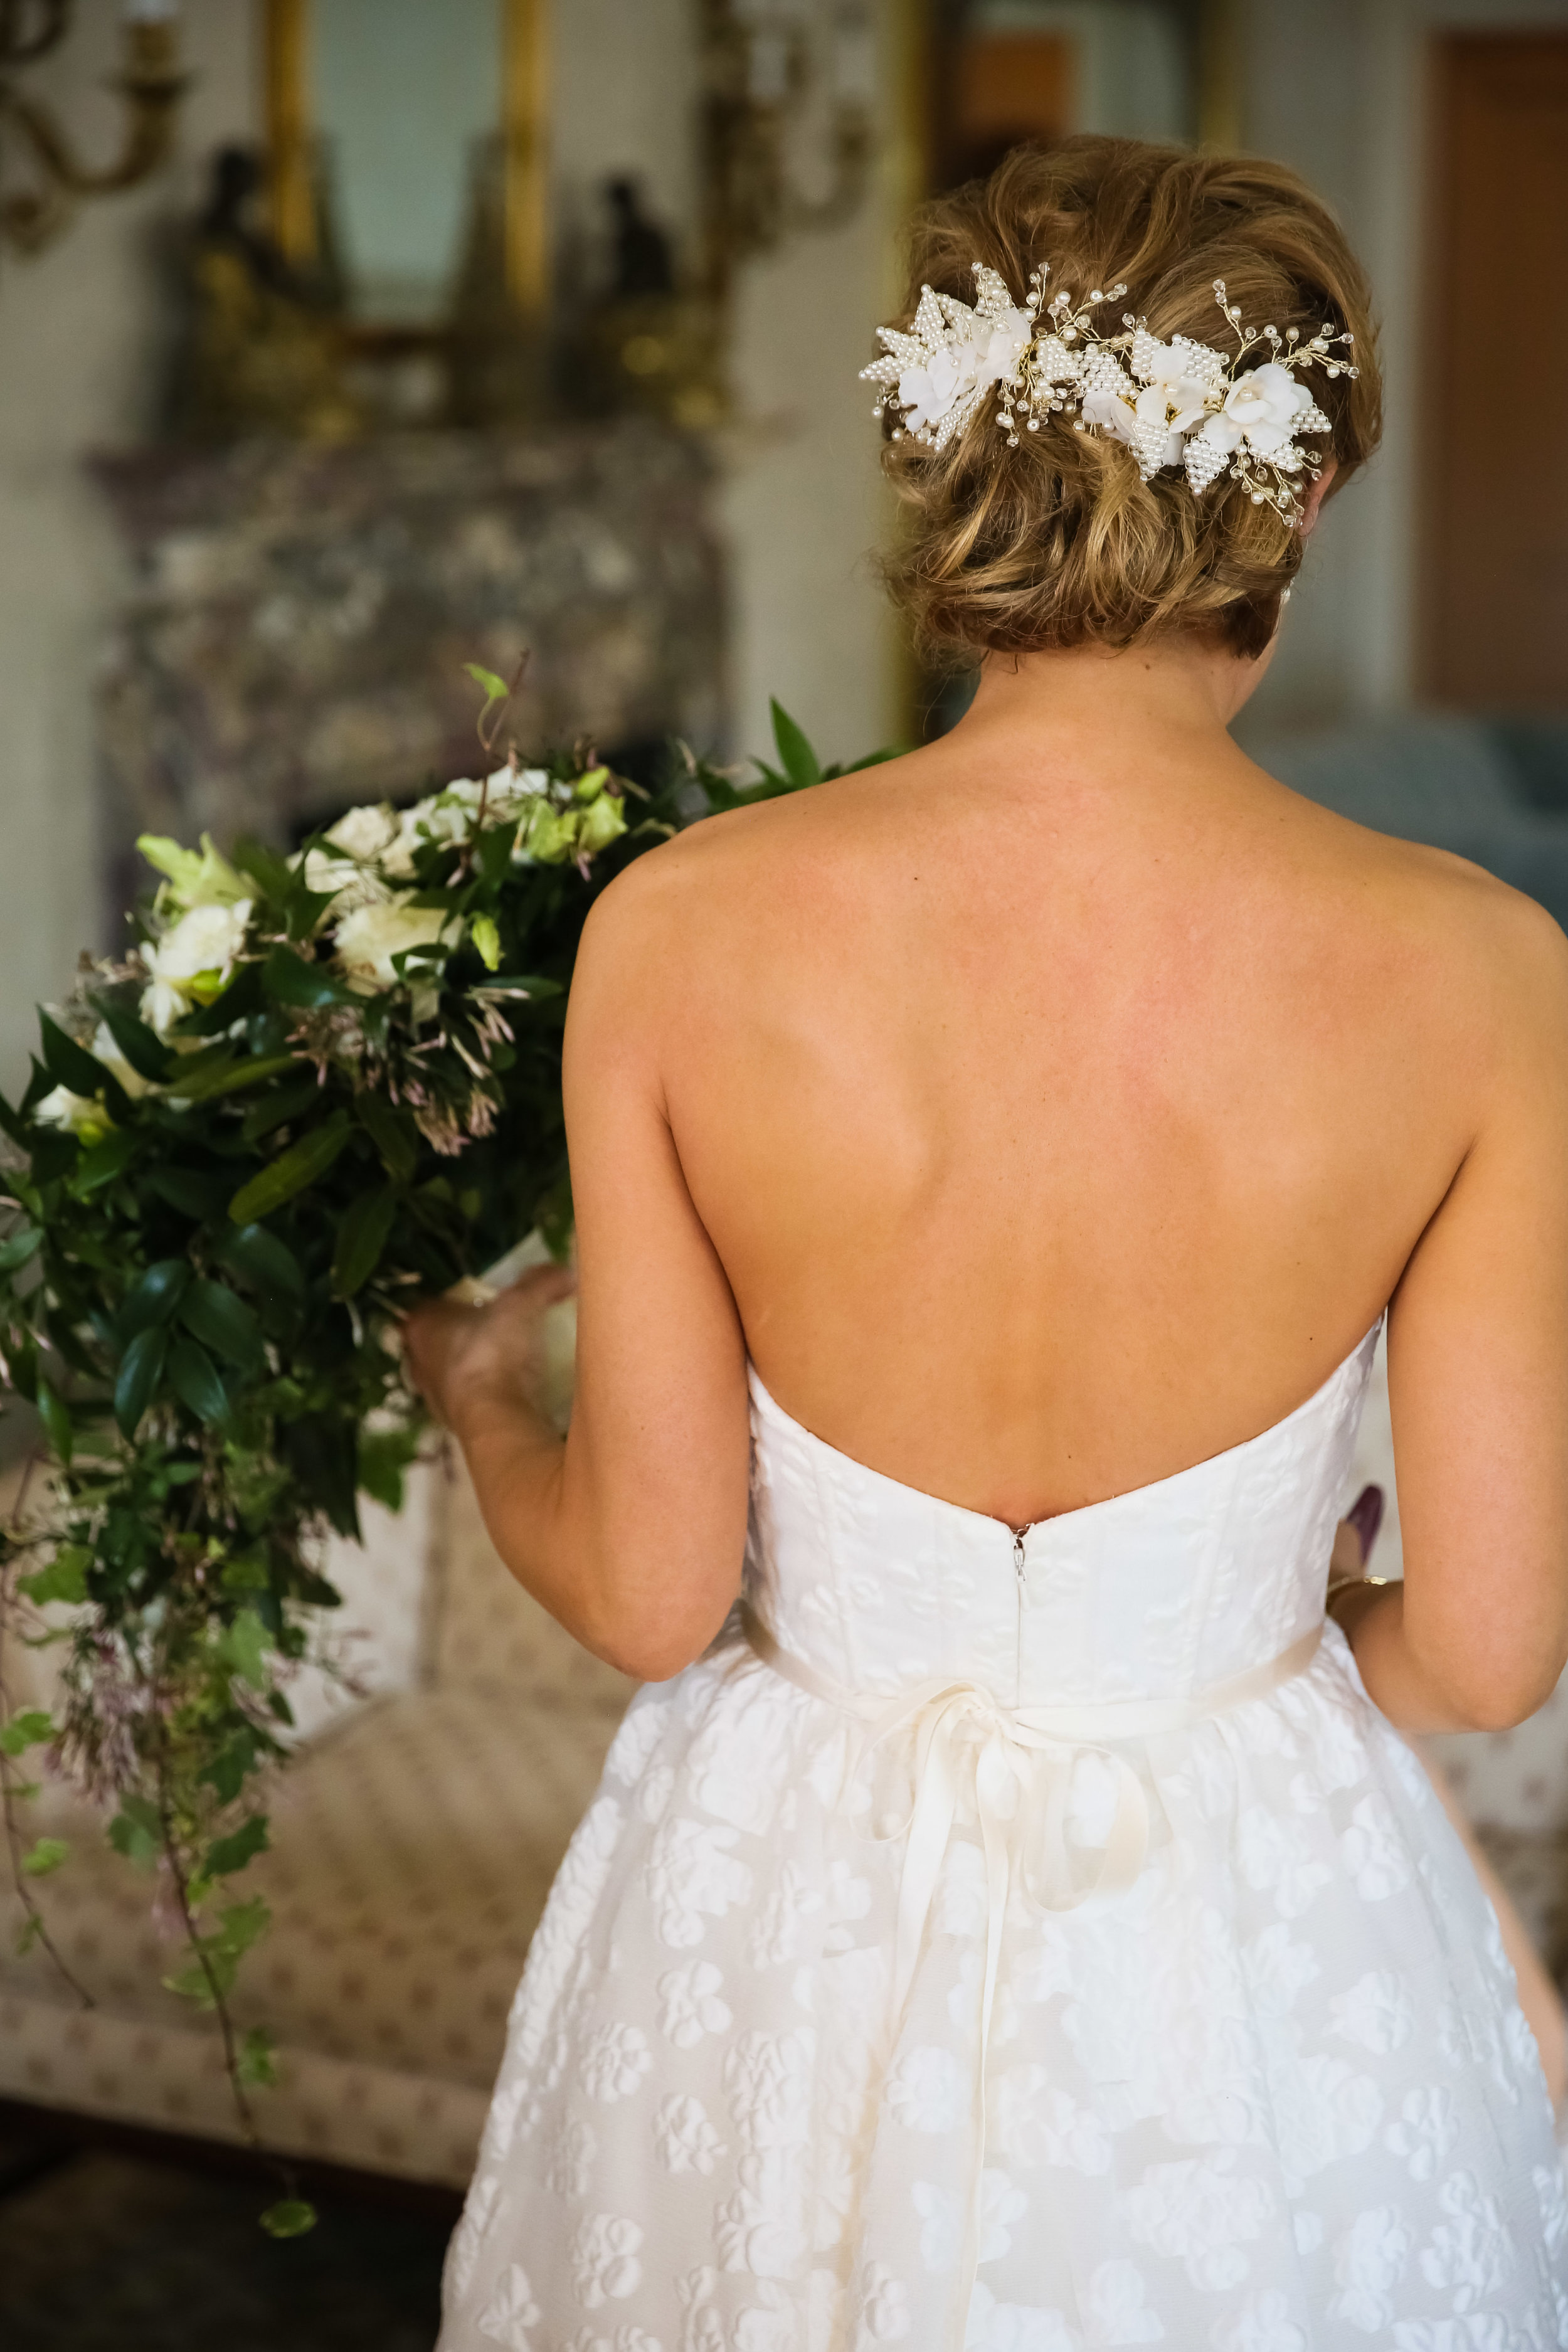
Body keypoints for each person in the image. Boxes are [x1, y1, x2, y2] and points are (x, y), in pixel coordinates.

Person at [411, 137, 1568, 2346]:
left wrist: (483, 1400)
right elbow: (1491, 1651)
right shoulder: (1481, 970)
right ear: (1297, 495)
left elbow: (654, 1593)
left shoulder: (679, 932)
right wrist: (1268, 1620)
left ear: (948, 464)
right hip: (1240, 1900)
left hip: (784, 1899)